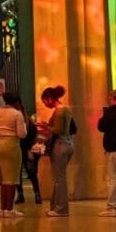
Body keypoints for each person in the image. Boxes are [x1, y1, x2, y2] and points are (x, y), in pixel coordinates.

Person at [0, 91, 28, 218]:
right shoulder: (17, 114)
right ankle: (9, 209)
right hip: (11, 144)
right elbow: (22, 134)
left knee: (4, 179)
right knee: (12, 179)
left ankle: (3, 209)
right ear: (17, 102)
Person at [40, 85, 74, 217]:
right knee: (60, 177)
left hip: (60, 144)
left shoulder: (59, 112)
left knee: (59, 179)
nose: (45, 104)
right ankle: (56, 206)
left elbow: (58, 130)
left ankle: (61, 208)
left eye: (44, 101)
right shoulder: (66, 110)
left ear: (49, 99)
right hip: (68, 143)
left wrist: (45, 126)